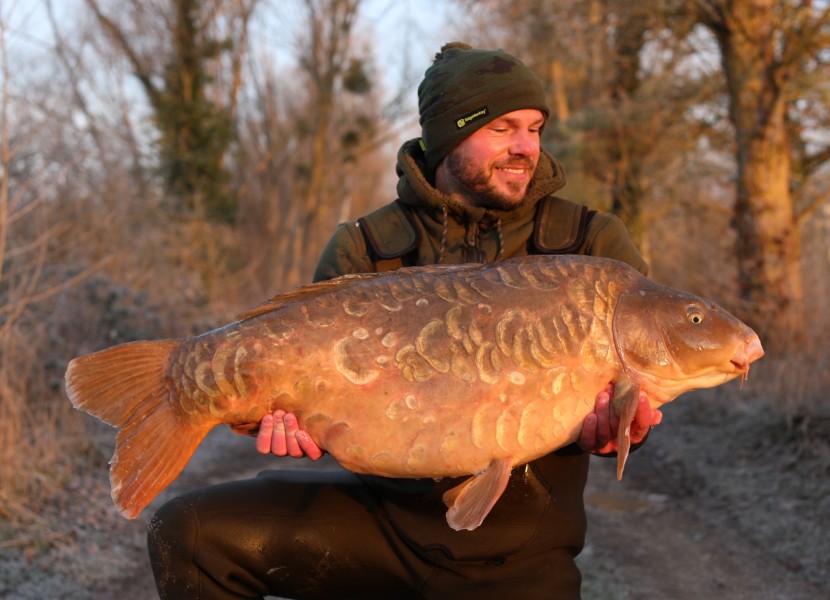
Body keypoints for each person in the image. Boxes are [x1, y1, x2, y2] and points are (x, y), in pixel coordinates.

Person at [147, 42, 661, 599]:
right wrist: (266, 417)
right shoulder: (366, 247)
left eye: (534, 129)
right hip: (381, 529)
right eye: (503, 128)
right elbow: (294, 398)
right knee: (188, 535)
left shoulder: (592, 249)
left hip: (522, 556)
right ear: (447, 136)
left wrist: (619, 432)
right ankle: (180, 385)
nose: (524, 147)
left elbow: (636, 407)